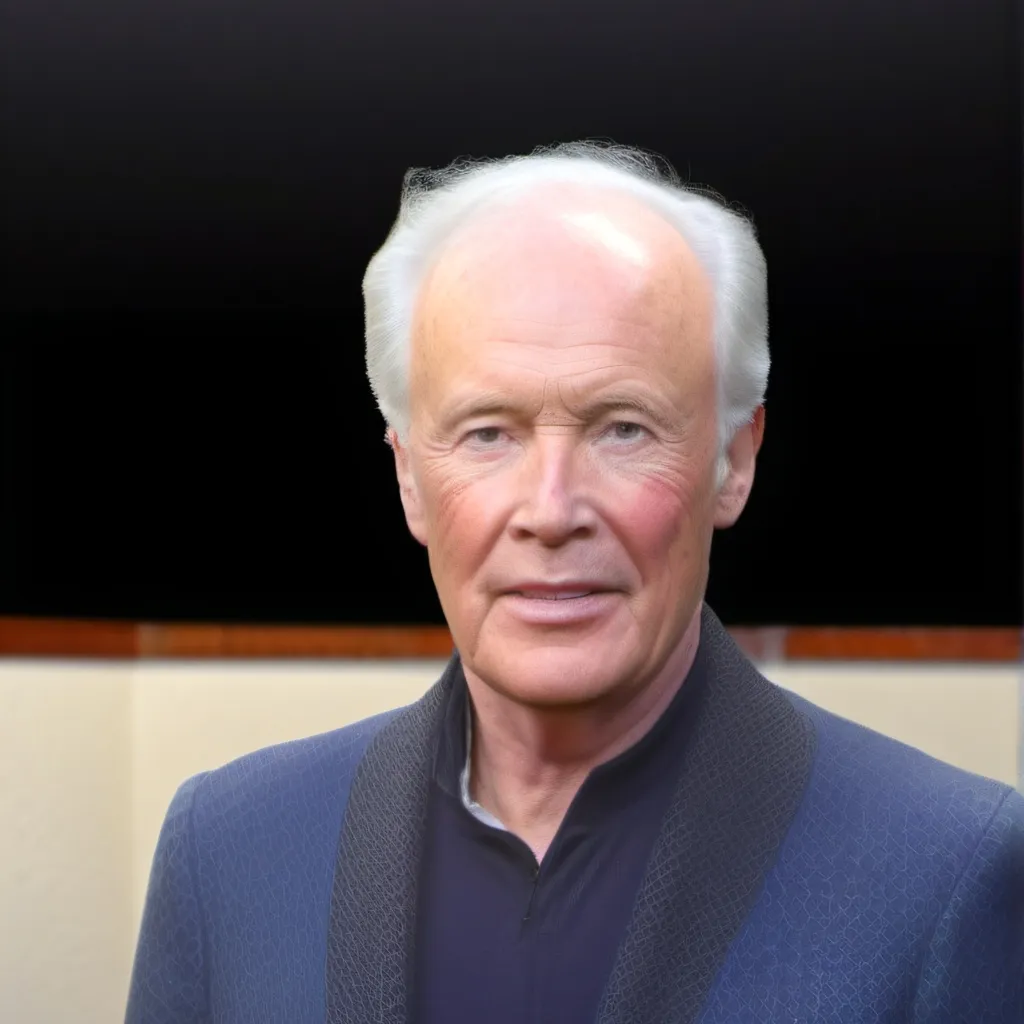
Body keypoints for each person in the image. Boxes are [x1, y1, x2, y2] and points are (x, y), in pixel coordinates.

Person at [126, 142, 1023, 1023]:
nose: (551, 511)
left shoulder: (948, 874)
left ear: (735, 460)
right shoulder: (227, 854)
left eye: (622, 428)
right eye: (488, 433)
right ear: (408, 477)